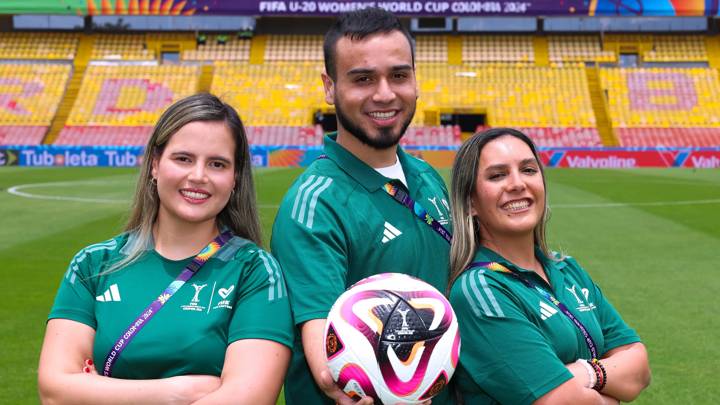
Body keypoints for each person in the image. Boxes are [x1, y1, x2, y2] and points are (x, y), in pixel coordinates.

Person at [38, 93, 293, 405]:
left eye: (217, 164)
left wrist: (98, 392)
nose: (198, 176)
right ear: (155, 164)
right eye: (183, 158)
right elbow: (54, 392)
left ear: (235, 177)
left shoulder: (255, 271)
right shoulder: (93, 264)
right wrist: (175, 394)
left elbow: (247, 398)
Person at [270, 8, 454, 405]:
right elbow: (323, 348)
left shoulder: (428, 177)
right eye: (363, 79)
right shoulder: (315, 204)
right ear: (330, 87)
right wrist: (339, 382)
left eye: (399, 75)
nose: (385, 93)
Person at [448, 128, 651, 404]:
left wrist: (587, 374)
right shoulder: (479, 290)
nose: (517, 183)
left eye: (528, 170)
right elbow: (561, 402)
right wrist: (608, 393)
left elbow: (639, 367)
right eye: (497, 175)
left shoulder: (567, 269)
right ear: (470, 202)